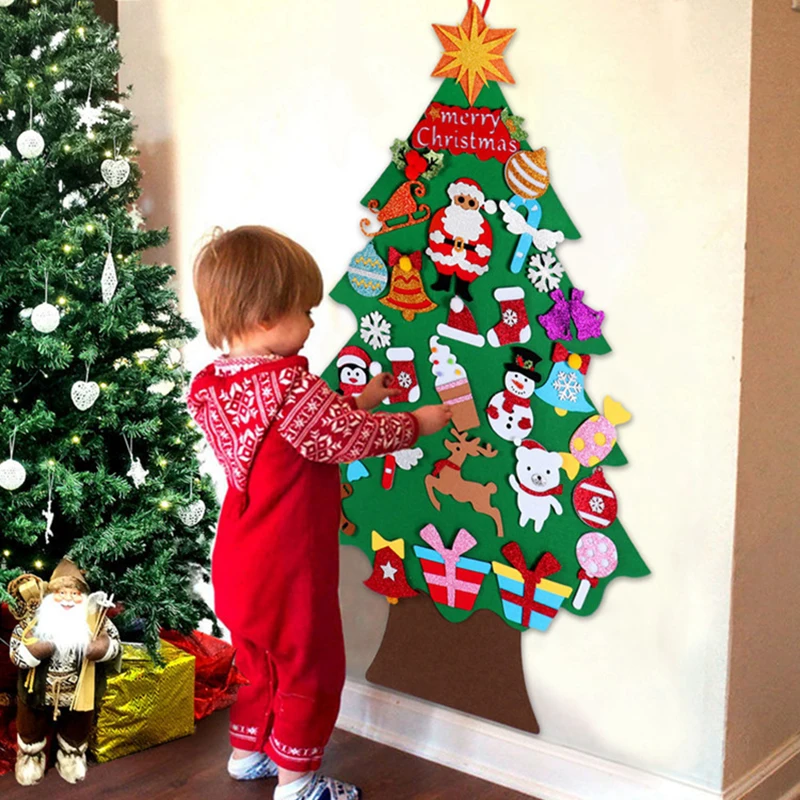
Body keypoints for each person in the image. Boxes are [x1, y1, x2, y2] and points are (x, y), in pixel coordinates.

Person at [188, 226, 451, 800]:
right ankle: (298, 781)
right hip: (288, 565)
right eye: (304, 310)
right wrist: (418, 423)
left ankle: (248, 752)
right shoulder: (290, 386)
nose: (311, 324)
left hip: (238, 559)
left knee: (259, 661)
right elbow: (340, 437)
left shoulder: (213, 386)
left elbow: (305, 431)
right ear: (263, 319)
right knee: (310, 666)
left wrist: (365, 398)